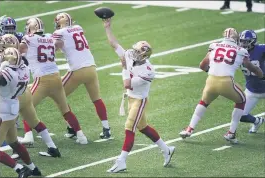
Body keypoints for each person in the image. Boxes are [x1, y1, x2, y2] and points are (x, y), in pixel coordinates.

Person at [103, 18, 175, 173]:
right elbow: (114, 44)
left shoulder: (148, 71)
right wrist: (107, 28)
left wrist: (123, 68)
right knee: (143, 127)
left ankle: (121, 161)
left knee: (129, 128)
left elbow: (127, 84)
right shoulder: (130, 54)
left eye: (137, 52)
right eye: (134, 50)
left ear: (144, 56)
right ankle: (166, 149)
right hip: (131, 98)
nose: (133, 53)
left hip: (139, 100)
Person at [179, 28, 263, 143]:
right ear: (236, 38)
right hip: (229, 82)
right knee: (241, 101)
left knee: (203, 102)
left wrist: (213, 71)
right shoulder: (241, 51)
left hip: (211, 80)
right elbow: (251, 67)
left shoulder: (214, 46)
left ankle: (189, 129)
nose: (243, 43)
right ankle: (231, 133)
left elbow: (202, 65)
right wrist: (260, 74)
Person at [19, 17, 88, 145]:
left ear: (32, 27)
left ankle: (28, 135)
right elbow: (60, 44)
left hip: (42, 80)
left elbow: (19, 49)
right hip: (56, 77)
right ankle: (81, 136)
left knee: (26, 107)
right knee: (65, 109)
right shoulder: (50, 36)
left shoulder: (29, 39)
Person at [0, 34, 61, 158]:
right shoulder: (21, 59)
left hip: (12, 98)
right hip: (25, 93)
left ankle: (17, 153)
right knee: (35, 122)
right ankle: (52, 146)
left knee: (9, 126)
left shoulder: (4, 60)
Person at [53, 12, 111, 139]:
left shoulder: (59, 33)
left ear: (58, 22)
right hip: (91, 67)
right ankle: (106, 128)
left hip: (77, 69)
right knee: (96, 99)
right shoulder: (78, 27)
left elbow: (54, 48)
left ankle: (72, 128)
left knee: (58, 96)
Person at [0, 47, 41, 177]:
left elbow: (2, 78)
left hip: (3, 110)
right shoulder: (24, 70)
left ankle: (19, 169)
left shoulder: (7, 74)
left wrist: (2, 67)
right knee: (14, 143)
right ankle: (34, 169)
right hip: (13, 108)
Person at [239, 30, 265, 132]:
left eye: (246, 41)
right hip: (252, 90)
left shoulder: (261, 49)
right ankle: (257, 121)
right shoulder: (238, 52)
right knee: (240, 115)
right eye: (242, 41)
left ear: (253, 41)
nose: (243, 44)